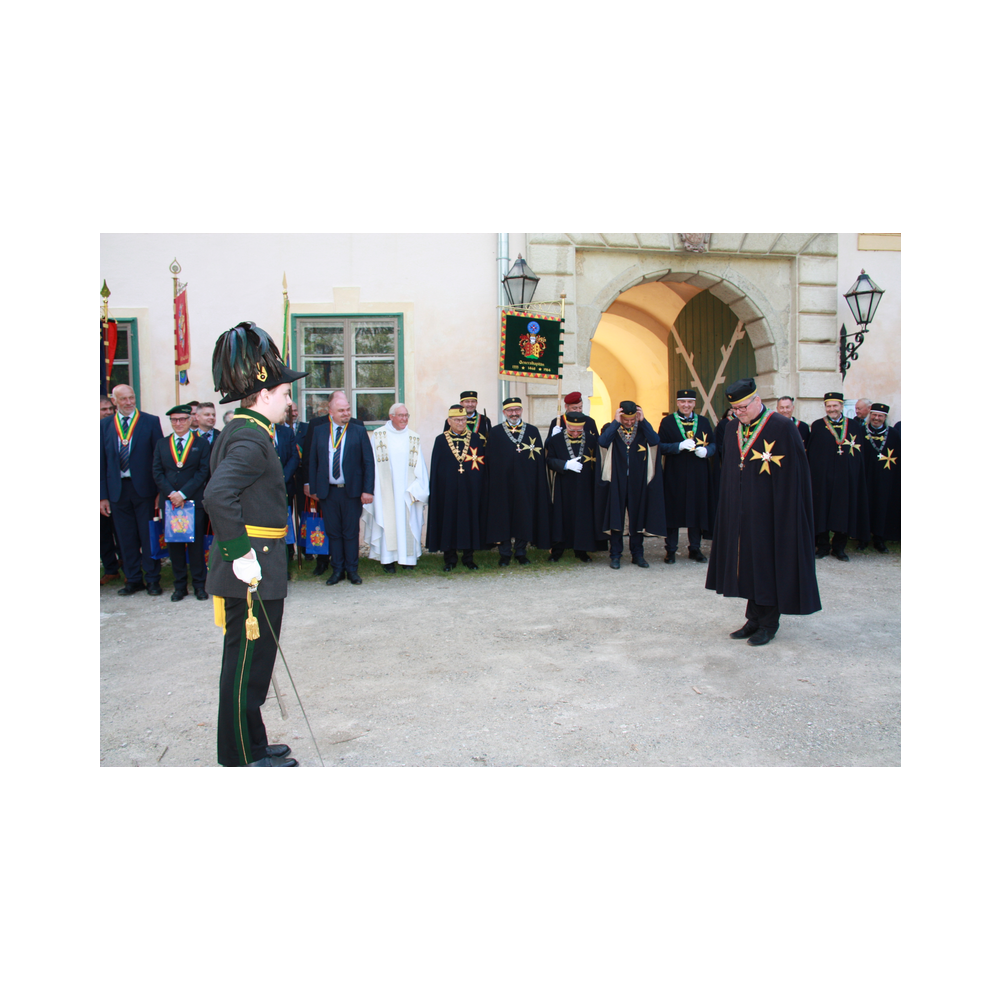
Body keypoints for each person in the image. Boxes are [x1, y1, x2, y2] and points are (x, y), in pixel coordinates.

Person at [202, 320, 307, 768]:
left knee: (252, 665)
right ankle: (241, 758)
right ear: (264, 395)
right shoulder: (249, 436)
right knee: (245, 668)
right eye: (285, 393)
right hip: (252, 567)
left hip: (257, 564)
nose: (290, 401)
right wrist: (239, 553)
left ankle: (255, 744)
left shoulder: (247, 429)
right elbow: (216, 495)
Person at [706, 378, 821, 645]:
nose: (739, 412)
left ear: (758, 400)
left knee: (769, 566)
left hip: (773, 513)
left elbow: (796, 475)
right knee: (747, 565)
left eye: (744, 407)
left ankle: (769, 623)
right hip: (742, 513)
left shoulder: (782, 427)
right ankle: (753, 618)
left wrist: (787, 513)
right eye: (735, 409)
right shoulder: (734, 427)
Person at [100, 384, 164, 595]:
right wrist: (103, 497)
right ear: (114, 401)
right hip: (117, 490)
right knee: (125, 537)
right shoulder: (105, 425)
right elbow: (102, 463)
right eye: (124, 399)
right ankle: (133, 579)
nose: (128, 402)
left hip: (145, 490)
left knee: (148, 537)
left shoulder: (150, 421)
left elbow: (158, 459)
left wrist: (158, 492)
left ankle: (153, 579)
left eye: (131, 397)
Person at [305, 390, 374, 585]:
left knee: (351, 533)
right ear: (331, 411)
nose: (346, 413)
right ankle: (337, 570)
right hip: (328, 492)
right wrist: (313, 488)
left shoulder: (358, 430)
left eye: (348, 409)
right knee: (333, 533)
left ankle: (352, 570)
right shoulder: (319, 431)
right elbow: (313, 461)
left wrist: (367, 490)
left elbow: (368, 462)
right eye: (341, 410)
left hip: (351, 491)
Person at [152, 404, 212, 601]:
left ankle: (199, 585)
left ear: (190, 420)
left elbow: (203, 472)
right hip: (170, 504)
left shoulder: (201, 443)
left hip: (192, 502)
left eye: (182, 419)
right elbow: (157, 472)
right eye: (174, 420)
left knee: (195, 546)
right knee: (174, 546)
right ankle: (179, 587)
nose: (178, 423)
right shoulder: (162, 444)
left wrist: (183, 494)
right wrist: (171, 494)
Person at [598, 400, 666, 568]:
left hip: (638, 479)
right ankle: (615, 554)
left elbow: (655, 440)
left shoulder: (642, 428)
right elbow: (603, 442)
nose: (629, 423)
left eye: (632, 419)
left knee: (637, 517)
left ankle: (638, 554)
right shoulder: (612, 429)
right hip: (617, 479)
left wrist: (643, 421)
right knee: (616, 517)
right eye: (626, 419)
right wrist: (615, 422)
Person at [364, 403, 430, 572]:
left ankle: (408, 560)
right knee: (387, 521)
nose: (404, 419)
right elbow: (370, 465)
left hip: (408, 491)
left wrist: (418, 489)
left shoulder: (413, 437)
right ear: (391, 416)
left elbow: (420, 466)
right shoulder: (378, 436)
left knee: (408, 522)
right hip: (384, 491)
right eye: (401, 415)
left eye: (406, 415)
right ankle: (388, 560)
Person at [485, 396, 551, 565]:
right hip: (502, 484)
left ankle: (521, 551)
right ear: (504, 412)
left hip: (525, 483)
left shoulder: (532, 431)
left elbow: (538, 460)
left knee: (524, 515)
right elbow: (490, 460)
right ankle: (505, 553)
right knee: (502, 517)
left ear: (521, 411)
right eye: (510, 411)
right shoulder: (495, 432)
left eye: (517, 410)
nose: (514, 414)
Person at [426, 404, 489, 570]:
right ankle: (450, 558)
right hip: (448, 490)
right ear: (449, 421)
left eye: (463, 420)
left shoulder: (475, 438)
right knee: (449, 520)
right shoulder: (441, 440)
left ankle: (469, 557)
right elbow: (437, 468)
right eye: (457, 420)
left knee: (469, 520)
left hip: (470, 489)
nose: (461, 423)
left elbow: (481, 465)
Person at [808, 391, 869, 560]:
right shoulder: (818, 426)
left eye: (835, 405)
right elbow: (813, 453)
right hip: (823, 479)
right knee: (822, 511)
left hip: (845, 479)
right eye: (829, 406)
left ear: (841, 406)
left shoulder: (854, 427)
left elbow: (858, 455)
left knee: (843, 511)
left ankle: (839, 547)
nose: (832, 409)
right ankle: (823, 546)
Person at [657, 389, 716, 564]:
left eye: (690, 402)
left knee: (697, 511)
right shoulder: (667, 422)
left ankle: (695, 548)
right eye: (683, 402)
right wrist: (678, 446)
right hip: (675, 474)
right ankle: (671, 550)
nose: (686, 405)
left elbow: (713, 444)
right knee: (673, 512)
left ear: (694, 403)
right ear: (677, 403)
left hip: (699, 474)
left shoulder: (704, 422)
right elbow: (659, 446)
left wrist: (707, 451)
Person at [546, 410, 602, 561]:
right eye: (572, 430)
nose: (576, 433)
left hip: (585, 485)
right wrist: (564, 464)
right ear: (567, 426)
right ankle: (558, 550)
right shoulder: (556, 440)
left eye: (579, 430)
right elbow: (549, 460)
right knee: (561, 517)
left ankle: (581, 550)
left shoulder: (591, 439)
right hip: (564, 484)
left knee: (583, 518)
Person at [858, 402, 900, 551]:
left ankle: (879, 539)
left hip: (884, 479)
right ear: (870, 415)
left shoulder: (894, 435)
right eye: (874, 415)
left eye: (880, 416)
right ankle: (862, 538)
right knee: (864, 506)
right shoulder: (861, 432)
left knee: (882, 507)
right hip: (865, 477)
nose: (876, 418)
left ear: (885, 417)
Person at [99, 396, 121, 586]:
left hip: (116, 489)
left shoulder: (118, 430)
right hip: (103, 491)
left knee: (121, 530)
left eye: (110, 409)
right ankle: (110, 568)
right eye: (103, 409)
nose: (107, 412)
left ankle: (126, 564)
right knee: (103, 533)